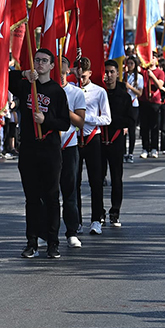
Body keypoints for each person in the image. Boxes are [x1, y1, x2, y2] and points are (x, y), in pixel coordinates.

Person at [10, 48, 71, 259]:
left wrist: (47, 122)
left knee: (52, 197)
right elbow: (5, 77)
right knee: (31, 198)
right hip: (28, 148)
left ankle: (53, 243)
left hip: (49, 148)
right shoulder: (27, 85)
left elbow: (65, 122)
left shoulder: (57, 91)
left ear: (52, 66)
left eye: (45, 61)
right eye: (37, 60)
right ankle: (32, 241)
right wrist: (24, 73)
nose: (40, 64)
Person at [74, 57, 111, 236]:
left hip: (92, 138)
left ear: (90, 73)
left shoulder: (99, 92)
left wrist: (87, 118)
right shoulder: (71, 91)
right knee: (74, 182)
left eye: (83, 76)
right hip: (73, 139)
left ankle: (96, 219)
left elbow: (107, 118)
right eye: (78, 76)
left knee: (96, 181)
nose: (80, 79)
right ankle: (76, 221)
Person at [101, 60, 134, 228]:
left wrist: (112, 121)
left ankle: (115, 212)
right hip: (99, 141)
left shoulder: (124, 96)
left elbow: (131, 119)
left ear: (117, 73)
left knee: (116, 178)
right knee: (98, 178)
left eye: (111, 72)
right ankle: (98, 213)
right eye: (106, 72)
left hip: (116, 140)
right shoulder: (98, 93)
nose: (108, 75)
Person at [59, 55, 86, 248]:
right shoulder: (43, 91)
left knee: (70, 191)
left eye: (63, 69)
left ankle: (71, 232)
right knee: (47, 193)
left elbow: (80, 121)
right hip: (48, 146)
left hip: (68, 145)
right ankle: (46, 232)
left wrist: (64, 109)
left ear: (68, 70)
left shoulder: (76, 93)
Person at [140, 53, 165, 159]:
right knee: (144, 126)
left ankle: (154, 148)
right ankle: (145, 148)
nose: (151, 60)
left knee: (154, 126)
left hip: (155, 101)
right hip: (143, 100)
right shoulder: (143, 71)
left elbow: (160, 85)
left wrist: (152, 76)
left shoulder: (160, 72)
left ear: (156, 60)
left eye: (153, 58)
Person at [123, 56, 143, 163]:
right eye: (128, 63)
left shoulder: (139, 77)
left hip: (133, 104)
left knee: (131, 129)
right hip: (123, 105)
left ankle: (130, 153)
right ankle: (123, 152)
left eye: (131, 63)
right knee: (122, 130)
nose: (129, 65)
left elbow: (139, 93)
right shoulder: (123, 75)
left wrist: (129, 87)